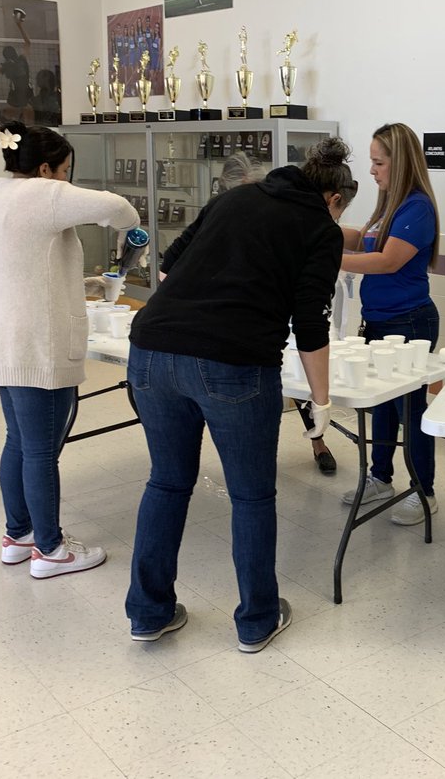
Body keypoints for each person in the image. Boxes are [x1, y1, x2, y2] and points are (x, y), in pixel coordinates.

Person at [124, 137, 352, 647]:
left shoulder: (236, 197)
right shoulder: (319, 227)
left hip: (152, 349)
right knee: (251, 495)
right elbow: (311, 323)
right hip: (234, 364)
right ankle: (256, 620)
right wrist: (320, 400)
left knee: (166, 482)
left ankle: (148, 611)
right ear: (334, 200)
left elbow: (166, 266)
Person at [0, 122, 139, 579]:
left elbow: (27, 271)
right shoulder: (44, 193)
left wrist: (83, 284)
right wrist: (131, 231)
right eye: (65, 171)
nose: (66, 180)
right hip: (38, 349)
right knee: (43, 451)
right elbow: (119, 207)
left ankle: (19, 535)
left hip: (4, 344)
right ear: (46, 168)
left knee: (19, 443)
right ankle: (50, 549)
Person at [338, 123, 441, 525]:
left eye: (378, 162)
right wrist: (317, 233)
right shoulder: (387, 207)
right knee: (379, 404)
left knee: (410, 409)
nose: (373, 170)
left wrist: (325, 258)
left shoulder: (417, 207)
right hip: (378, 322)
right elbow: (363, 241)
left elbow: (387, 261)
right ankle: (381, 477)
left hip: (410, 323)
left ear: (400, 163)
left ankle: (424, 491)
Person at [0, 10, 32, 120]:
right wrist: (19, 25)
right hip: (27, 93)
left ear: (5, 56)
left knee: (7, 118)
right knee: (28, 119)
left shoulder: (6, 66)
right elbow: (28, 43)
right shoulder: (22, 59)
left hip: (15, 96)